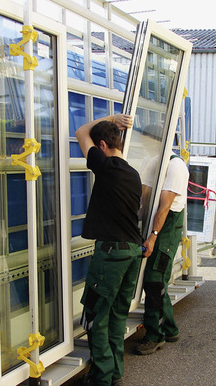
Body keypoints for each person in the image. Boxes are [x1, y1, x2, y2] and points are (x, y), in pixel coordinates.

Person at [76, 114, 143, 386]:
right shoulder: (133, 174)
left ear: (102, 145)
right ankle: (115, 372)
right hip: (132, 253)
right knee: (117, 315)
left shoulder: (106, 167)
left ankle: (101, 377)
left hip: (112, 254)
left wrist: (112, 118)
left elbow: (81, 131)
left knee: (95, 315)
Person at [135, 152, 189, 355]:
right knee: (157, 280)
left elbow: (164, 207)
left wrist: (153, 237)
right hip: (156, 220)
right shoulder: (152, 160)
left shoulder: (176, 167)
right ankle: (169, 328)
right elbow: (145, 194)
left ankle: (155, 335)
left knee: (154, 279)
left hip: (168, 226)